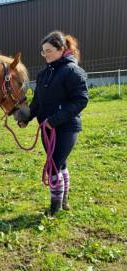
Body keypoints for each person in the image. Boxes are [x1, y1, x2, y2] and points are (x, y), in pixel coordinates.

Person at [16, 31, 89, 216]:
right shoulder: (43, 75)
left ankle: (55, 207)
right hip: (46, 128)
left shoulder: (72, 71)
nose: (45, 55)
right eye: (43, 51)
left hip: (66, 127)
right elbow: (38, 102)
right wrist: (26, 118)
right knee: (59, 164)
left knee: (53, 165)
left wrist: (55, 120)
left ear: (61, 49)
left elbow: (81, 100)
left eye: (49, 50)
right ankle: (63, 201)